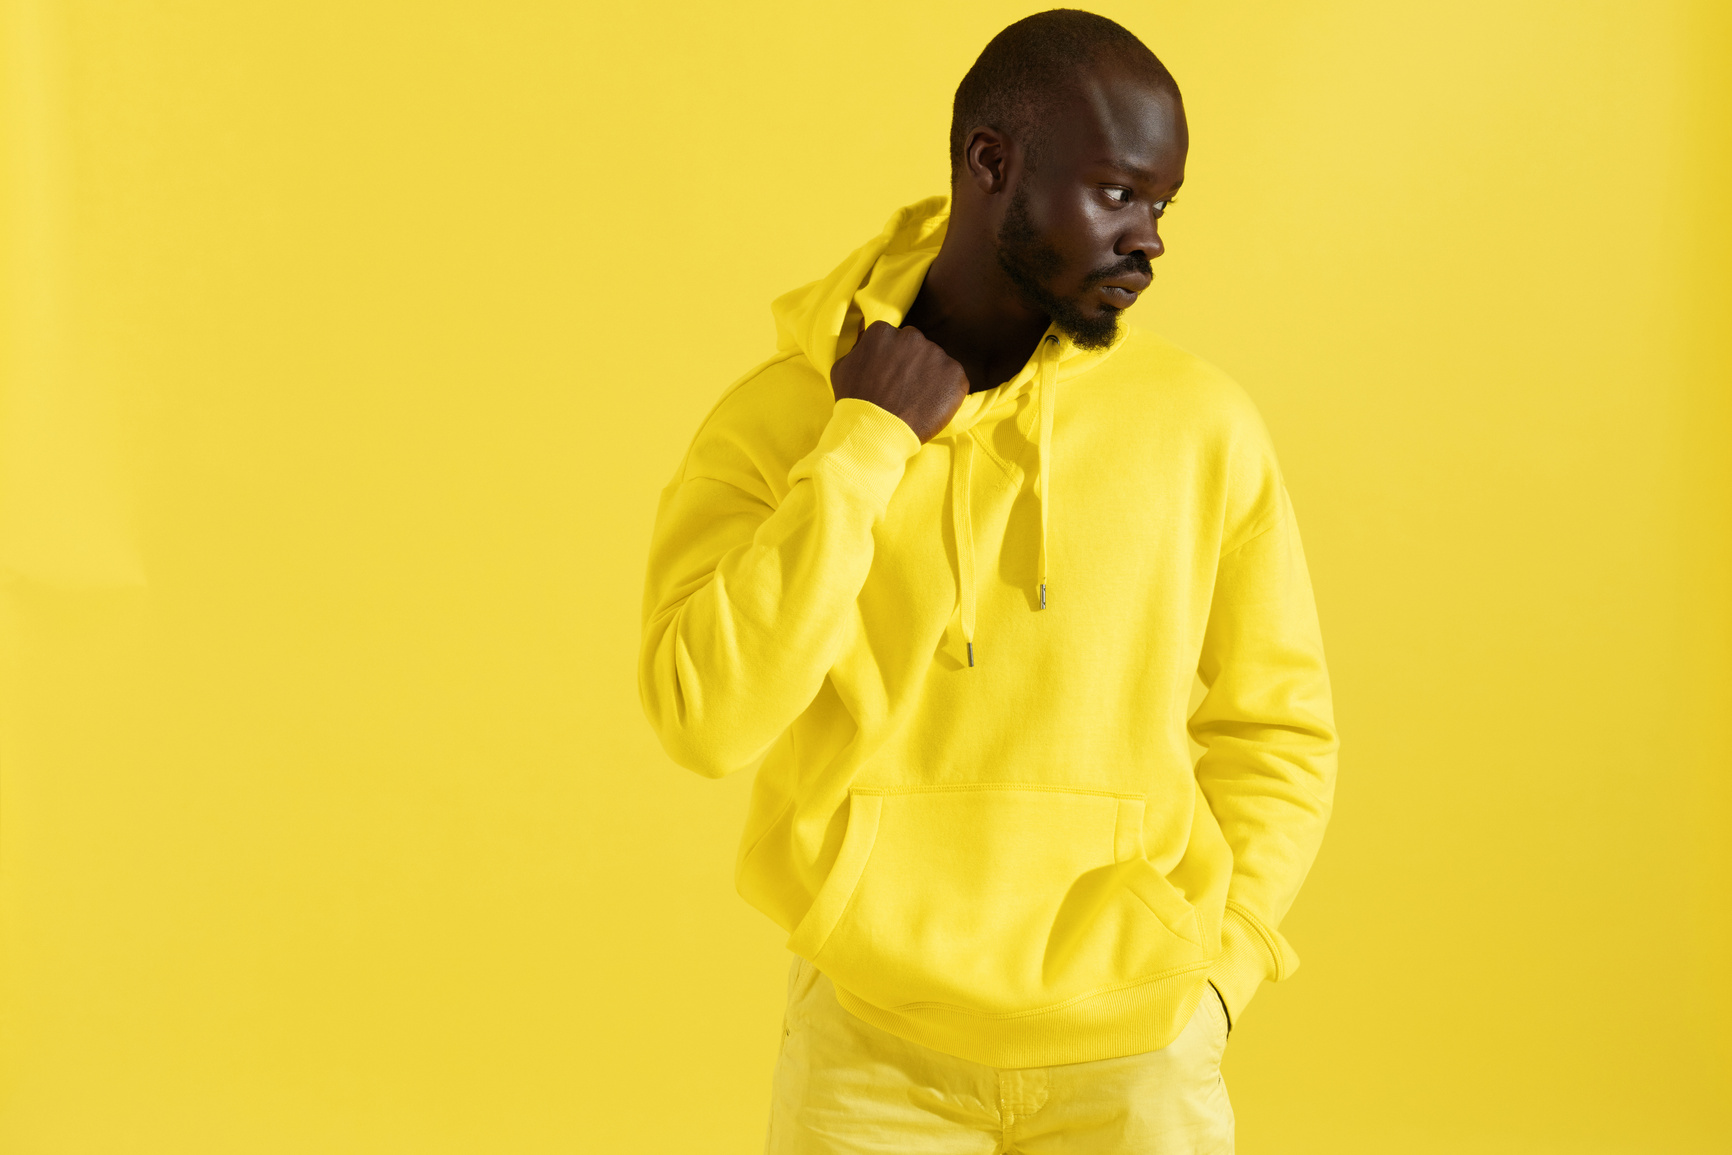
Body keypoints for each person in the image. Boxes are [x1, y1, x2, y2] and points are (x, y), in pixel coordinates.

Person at [636, 9, 1337, 1152]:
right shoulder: (783, 420)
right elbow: (703, 721)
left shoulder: (1200, 426)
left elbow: (1279, 730)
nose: (1149, 239)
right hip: (869, 1055)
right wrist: (862, 445)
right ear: (990, 163)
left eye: (1160, 205)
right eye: (1117, 193)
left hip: (1140, 1055)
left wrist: (1224, 973)